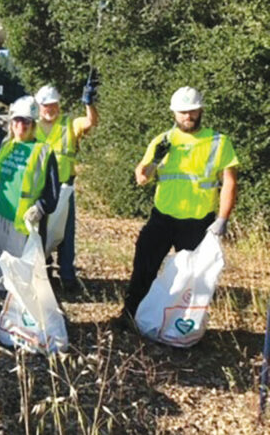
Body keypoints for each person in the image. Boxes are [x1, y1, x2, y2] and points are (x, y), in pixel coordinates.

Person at [116, 86, 238, 326]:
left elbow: (230, 183)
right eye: (182, 112)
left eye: (192, 111)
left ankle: (182, 326)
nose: (188, 116)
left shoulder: (219, 142)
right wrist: (155, 160)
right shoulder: (163, 140)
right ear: (174, 113)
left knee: (192, 279)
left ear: (201, 110)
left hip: (198, 222)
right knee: (143, 268)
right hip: (162, 218)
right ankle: (130, 316)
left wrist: (222, 219)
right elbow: (141, 178)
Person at [0, 95, 60, 289]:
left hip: (22, 223)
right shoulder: (6, 146)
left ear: (33, 125)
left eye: (26, 122)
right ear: (11, 123)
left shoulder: (43, 152)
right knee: (0, 264)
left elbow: (52, 192)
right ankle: (5, 306)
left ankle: (19, 309)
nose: (20, 126)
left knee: (22, 273)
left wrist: (40, 208)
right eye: (17, 121)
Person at [33, 83, 98, 290]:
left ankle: (67, 275)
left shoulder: (70, 124)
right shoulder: (33, 126)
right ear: (39, 106)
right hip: (41, 188)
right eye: (46, 106)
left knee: (66, 232)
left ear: (58, 105)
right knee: (40, 230)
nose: (50, 109)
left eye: (53, 105)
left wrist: (89, 103)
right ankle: (43, 270)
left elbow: (91, 122)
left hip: (64, 187)